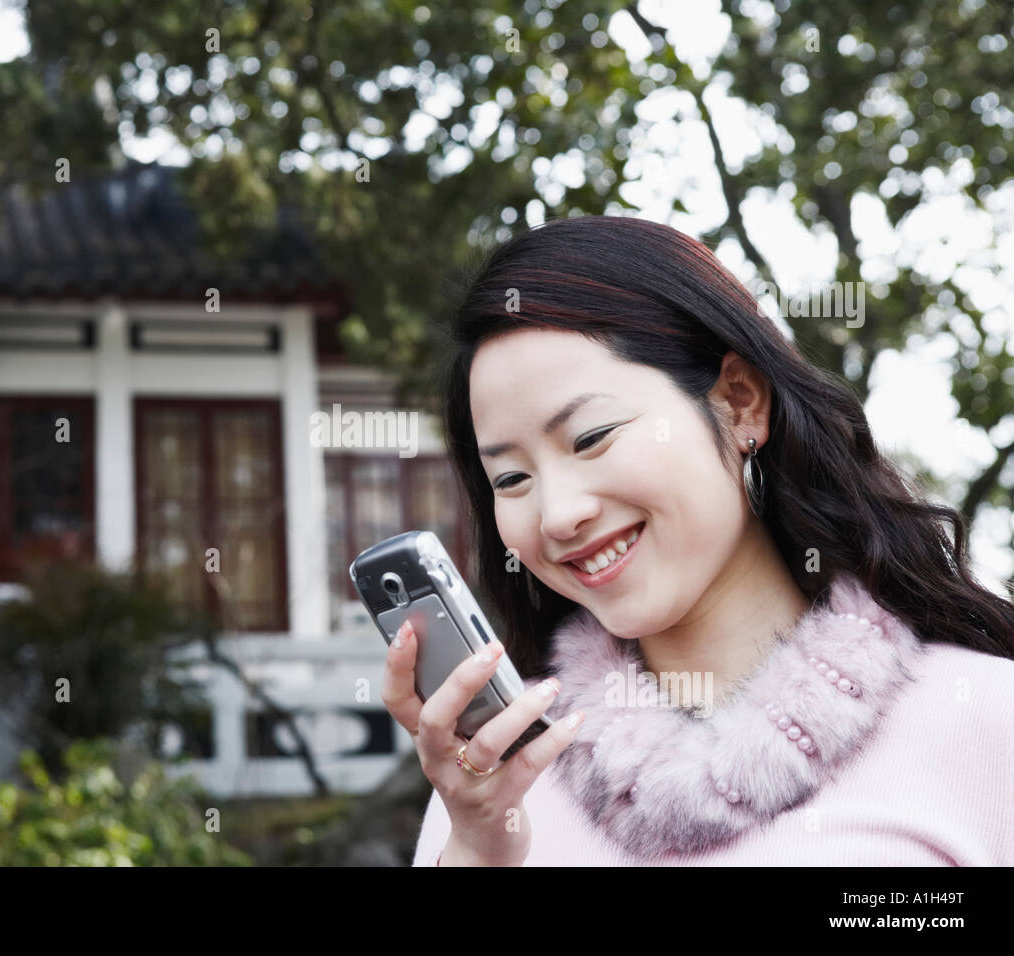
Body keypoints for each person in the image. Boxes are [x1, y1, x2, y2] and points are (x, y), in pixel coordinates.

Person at [382, 215, 1014, 866]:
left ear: (740, 401)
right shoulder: (491, 791)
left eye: (592, 437)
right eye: (511, 477)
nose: (558, 515)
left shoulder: (988, 721)